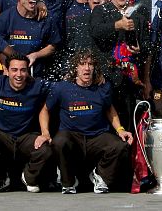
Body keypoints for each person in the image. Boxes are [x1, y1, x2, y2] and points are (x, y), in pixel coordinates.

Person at [40, 50, 133, 194]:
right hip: (71, 135)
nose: (87, 68)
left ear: (94, 68)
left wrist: (120, 129)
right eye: (82, 64)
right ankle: (68, 181)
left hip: (97, 135)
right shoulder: (61, 88)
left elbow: (110, 109)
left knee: (121, 145)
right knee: (59, 142)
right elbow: (45, 111)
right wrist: (45, 133)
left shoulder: (103, 87)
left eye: (90, 64)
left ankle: (99, 176)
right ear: (75, 68)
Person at [0, 54, 54, 193]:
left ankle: (28, 177)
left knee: (45, 149)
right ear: (7, 70)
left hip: (27, 136)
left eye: (23, 70)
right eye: (14, 70)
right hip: (2, 135)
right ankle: (0, 180)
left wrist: (45, 133)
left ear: (28, 71)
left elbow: (64, 89)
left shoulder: (38, 85)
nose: (19, 74)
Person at [89, 0, 143, 128]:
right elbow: (95, 31)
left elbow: (146, 44)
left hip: (129, 79)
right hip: (105, 77)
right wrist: (117, 25)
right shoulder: (101, 10)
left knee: (128, 123)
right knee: (104, 123)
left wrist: (140, 48)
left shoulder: (137, 14)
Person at [0, 0, 60, 80]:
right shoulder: (5, 18)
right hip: (11, 76)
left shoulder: (46, 18)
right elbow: (0, 47)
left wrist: (35, 55)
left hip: (37, 77)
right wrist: (6, 69)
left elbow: (53, 46)